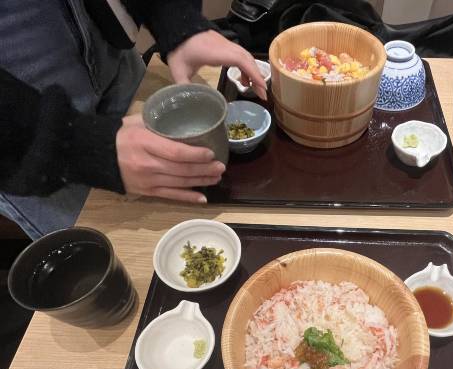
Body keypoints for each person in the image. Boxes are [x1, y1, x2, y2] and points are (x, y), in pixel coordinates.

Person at [0, 0, 267, 239]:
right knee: (112, 249)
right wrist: (75, 147)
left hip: (108, 42)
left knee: (173, 209)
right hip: (25, 133)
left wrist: (175, 18)